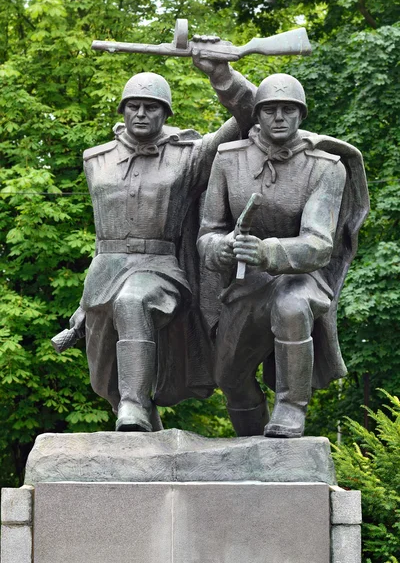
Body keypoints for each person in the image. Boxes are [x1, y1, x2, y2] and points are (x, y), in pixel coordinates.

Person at [68, 42, 255, 432]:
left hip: (161, 267)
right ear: (122, 110)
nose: (141, 112)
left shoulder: (188, 155)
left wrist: (220, 73)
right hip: (104, 270)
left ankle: (135, 408)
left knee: (133, 301)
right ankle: (141, 423)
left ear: (165, 113)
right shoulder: (95, 159)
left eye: (151, 106)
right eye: (133, 105)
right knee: (104, 381)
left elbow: (251, 116)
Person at [198, 73, 369, 438]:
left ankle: (291, 409)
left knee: (292, 307)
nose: (279, 117)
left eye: (288, 109)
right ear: (257, 115)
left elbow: (319, 243)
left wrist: (266, 251)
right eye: (270, 109)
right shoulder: (228, 159)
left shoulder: (325, 166)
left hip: (300, 276)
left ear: (301, 115)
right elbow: (208, 230)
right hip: (245, 282)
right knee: (228, 377)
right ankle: (249, 444)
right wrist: (222, 247)